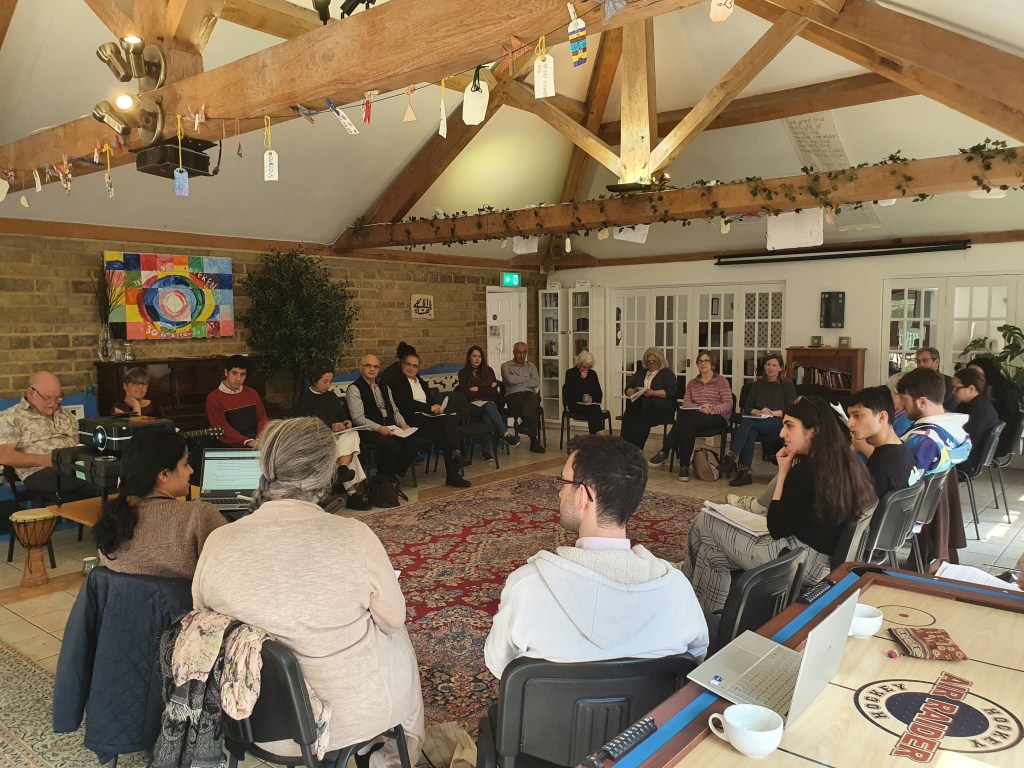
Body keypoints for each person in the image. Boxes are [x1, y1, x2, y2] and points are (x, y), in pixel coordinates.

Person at [192, 417, 424, 765]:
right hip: (346, 720)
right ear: (328, 471)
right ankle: (399, 751)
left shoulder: (218, 541)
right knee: (396, 632)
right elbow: (392, 620)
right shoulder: (354, 536)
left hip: (248, 718)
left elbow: (205, 623)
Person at [484, 435, 708, 679]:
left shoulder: (527, 586)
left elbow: (500, 665)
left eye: (563, 482)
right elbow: (696, 657)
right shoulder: (676, 588)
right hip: (655, 705)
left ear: (582, 496)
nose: (560, 493)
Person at [682, 396, 876, 615]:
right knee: (711, 554)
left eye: (789, 426)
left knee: (705, 520)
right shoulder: (848, 465)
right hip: (821, 563)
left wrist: (783, 471)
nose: (782, 433)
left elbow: (776, 527)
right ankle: (708, 619)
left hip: (793, 561)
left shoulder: (805, 473)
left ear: (814, 431)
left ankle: (683, 595)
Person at [93, 431, 225, 578]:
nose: (191, 470)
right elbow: (230, 573)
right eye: (186, 464)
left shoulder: (111, 523)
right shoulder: (199, 516)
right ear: (164, 474)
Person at [896, 367, 971, 565]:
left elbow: (902, 479)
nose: (902, 406)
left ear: (922, 402)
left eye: (904, 400)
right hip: (935, 508)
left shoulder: (924, 441)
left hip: (912, 510)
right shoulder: (954, 430)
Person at [0, 371, 98, 502]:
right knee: (96, 480)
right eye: (47, 398)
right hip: (39, 472)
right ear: (31, 392)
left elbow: (78, 442)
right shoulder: (12, 417)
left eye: (57, 397)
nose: (53, 403)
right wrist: (45, 460)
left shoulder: (65, 414)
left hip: (73, 466)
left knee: (104, 474)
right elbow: (4, 456)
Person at [294, 365, 372, 510]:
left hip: (339, 436)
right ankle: (352, 493)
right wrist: (331, 426)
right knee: (346, 452)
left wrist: (346, 422)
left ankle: (341, 467)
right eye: (325, 381)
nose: (328, 385)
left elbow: (341, 416)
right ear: (314, 380)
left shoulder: (331, 396)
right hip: (319, 438)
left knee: (352, 433)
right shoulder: (305, 400)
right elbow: (306, 427)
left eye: (330, 381)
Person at [389, 352, 470, 488]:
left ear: (418, 368)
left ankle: (455, 455)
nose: (411, 368)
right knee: (446, 433)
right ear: (402, 365)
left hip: (428, 417)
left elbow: (431, 401)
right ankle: (453, 471)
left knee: (448, 419)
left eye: (414, 366)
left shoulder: (421, 382)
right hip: (412, 419)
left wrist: (437, 408)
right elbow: (406, 404)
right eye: (408, 364)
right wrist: (429, 408)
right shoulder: (398, 382)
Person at [649, 350, 731, 482]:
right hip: (695, 417)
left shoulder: (721, 381)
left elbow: (728, 404)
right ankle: (684, 467)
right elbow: (686, 403)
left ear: (712, 364)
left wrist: (711, 409)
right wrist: (700, 407)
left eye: (706, 361)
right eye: (700, 361)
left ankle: (665, 449)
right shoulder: (692, 383)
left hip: (717, 417)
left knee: (685, 418)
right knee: (688, 426)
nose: (703, 363)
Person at [721, 353, 795, 487]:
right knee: (749, 430)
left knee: (747, 424)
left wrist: (774, 412)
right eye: (768, 365)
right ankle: (745, 473)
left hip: (778, 423)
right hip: (758, 421)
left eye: (774, 365)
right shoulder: (756, 385)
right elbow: (748, 408)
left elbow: (791, 409)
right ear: (764, 367)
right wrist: (760, 412)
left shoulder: (787, 385)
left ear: (780, 368)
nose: (770, 368)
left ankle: (733, 459)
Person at [346, 354, 419, 483]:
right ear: (360, 368)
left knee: (413, 442)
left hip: (389, 426)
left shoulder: (384, 386)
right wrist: (379, 428)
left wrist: (403, 425)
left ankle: (388, 474)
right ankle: (384, 476)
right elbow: (358, 418)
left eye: (376, 366)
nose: (372, 369)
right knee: (393, 447)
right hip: (369, 430)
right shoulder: (354, 388)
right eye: (368, 366)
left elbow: (395, 410)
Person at [846, 386, 918, 499]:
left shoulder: (881, 467)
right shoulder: (902, 451)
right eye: (850, 416)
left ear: (882, 417)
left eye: (857, 416)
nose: (849, 424)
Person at [457, 345, 516, 458]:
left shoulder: (488, 371)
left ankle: (486, 452)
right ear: (469, 357)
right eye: (474, 356)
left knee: (487, 415)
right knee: (488, 406)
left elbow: (493, 392)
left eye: (479, 356)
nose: (477, 359)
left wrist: (478, 389)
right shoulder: (463, 373)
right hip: (472, 406)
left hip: (488, 405)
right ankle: (505, 434)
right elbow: (466, 394)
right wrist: (486, 389)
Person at [619, 347, 676, 451]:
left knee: (644, 419)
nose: (651, 363)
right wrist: (634, 391)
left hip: (660, 406)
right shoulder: (640, 373)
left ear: (660, 360)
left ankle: (636, 449)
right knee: (629, 416)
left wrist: (653, 393)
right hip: (641, 404)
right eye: (649, 361)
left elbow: (670, 392)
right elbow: (627, 389)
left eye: (654, 361)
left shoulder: (667, 373)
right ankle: (625, 447)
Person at [205, 354, 268, 448]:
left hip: (257, 442)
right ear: (226, 372)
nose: (238, 379)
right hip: (231, 446)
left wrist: (260, 439)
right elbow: (222, 428)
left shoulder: (252, 393)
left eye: (242, 374)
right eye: (234, 373)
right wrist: (248, 442)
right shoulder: (213, 398)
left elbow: (262, 419)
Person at [966, 356, 1023, 457]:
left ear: (987, 371)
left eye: (975, 371)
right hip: (996, 439)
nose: (972, 375)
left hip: (994, 442)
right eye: (968, 372)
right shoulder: (1002, 386)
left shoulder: (994, 392)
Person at [951, 367, 1000, 477]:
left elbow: (966, 442)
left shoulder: (979, 411)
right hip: (970, 457)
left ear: (971, 388)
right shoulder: (977, 404)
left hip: (966, 462)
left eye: (956, 389)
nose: (953, 392)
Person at [500, 342, 545, 453]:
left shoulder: (531, 366)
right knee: (533, 407)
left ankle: (525, 423)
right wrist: (526, 378)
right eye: (519, 352)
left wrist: (517, 380)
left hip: (530, 395)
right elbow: (510, 380)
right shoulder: (505, 366)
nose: (522, 355)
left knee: (534, 397)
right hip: (513, 397)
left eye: (524, 352)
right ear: (514, 353)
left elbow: (536, 382)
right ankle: (533, 441)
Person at [562, 351, 606, 435]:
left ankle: (595, 437)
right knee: (594, 410)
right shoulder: (570, 373)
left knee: (594, 408)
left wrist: (592, 398)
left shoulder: (592, 374)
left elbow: (599, 393)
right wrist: (581, 380)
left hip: (590, 405)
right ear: (579, 364)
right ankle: (599, 435)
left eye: (588, 367)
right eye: (584, 367)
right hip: (575, 404)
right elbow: (571, 394)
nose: (586, 370)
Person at [914, 347, 958, 412]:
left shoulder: (949, 382)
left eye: (925, 360)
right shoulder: (913, 381)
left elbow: (949, 409)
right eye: (918, 361)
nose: (921, 364)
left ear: (937, 362)